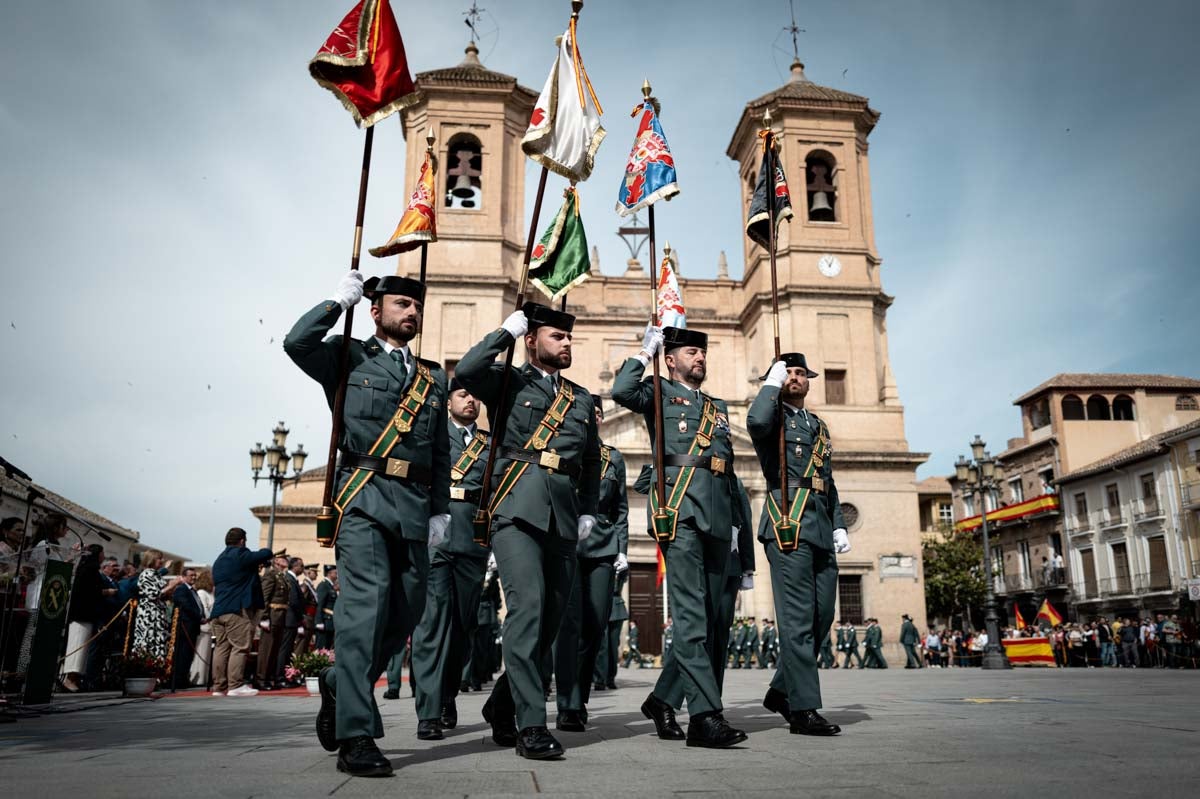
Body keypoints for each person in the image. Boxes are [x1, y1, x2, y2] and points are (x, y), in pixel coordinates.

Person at [286, 271, 451, 777]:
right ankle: (356, 734)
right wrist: (337, 303)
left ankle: (339, 683)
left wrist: (441, 509)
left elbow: (440, 448)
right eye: (401, 304)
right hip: (363, 498)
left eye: (416, 306)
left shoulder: (432, 377)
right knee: (364, 611)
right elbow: (297, 342)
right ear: (376, 311)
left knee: (406, 612)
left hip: (414, 506)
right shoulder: (348, 357)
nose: (412, 313)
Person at [455, 302, 600, 761]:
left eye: (570, 338)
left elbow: (592, 460)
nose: (567, 343)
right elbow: (467, 369)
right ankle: (532, 725)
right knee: (528, 611)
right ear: (533, 340)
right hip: (515, 508)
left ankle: (501, 704)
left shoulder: (579, 398)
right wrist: (505, 331)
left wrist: (589, 510)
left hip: (562, 513)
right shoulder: (508, 382)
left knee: (550, 623)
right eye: (557, 336)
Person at [613, 323, 746, 749]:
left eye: (702, 353)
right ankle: (705, 717)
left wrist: (738, 534)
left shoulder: (718, 406)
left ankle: (661, 699)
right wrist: (642, 352)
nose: (699, 358)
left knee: (708, 619)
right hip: (681, 511)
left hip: (717, 515)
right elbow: (620, 391)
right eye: (690, 352)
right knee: (691, 617)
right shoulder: (656, 393)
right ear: (670, 359)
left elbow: (728, 468)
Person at [749, 353, 846, 737]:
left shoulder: (817, 425)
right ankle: (803, 708)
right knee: (796, 622)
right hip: (787, 521)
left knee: (823, 616)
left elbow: (828, 479)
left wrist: (838, 524)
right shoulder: (772, 418)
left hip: (820, 525)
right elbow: (755, 421)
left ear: (809, 380)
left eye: (800, 373)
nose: (794, 377)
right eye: (787, 372)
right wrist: (769, 386)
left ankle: (780, 690)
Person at [408, 381, 493, 740]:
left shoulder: (491, 443)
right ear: (448, 402)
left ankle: (447, 693)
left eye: (475, 395)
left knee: (462, 627)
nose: (471, 400)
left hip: (473, 541)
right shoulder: (433, 434)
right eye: (463, 395)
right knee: (432, 624)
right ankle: (428, 710)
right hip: (437, 538)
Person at [553, 395, 629, 732]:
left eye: (598, 413)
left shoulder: (614, 458)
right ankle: (569, 704)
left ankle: (579, 696)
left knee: (595, 624)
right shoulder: (562, 451)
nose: (594, 418)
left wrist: (622, 550)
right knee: (568, 626)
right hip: (567, 544)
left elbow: (622, 509)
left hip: (601, 547)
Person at [211, 527, 273, 697]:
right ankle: (235, 685)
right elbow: (266, 552)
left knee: (221, 648)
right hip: (236, 610)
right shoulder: (240, 554)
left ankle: (219, 687)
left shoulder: (219, 560)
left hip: (218, 611)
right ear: (242, 541)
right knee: (240, 647)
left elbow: (238, 576)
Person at [715, 478, 755, 688]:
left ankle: (712, 701)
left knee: (721, 632)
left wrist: (748, 568)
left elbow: (746, 524)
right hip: (694, 564)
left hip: (729, 565)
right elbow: (643, 485)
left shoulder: (733, 482)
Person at [61, 544, 109, 692]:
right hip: (82, 614)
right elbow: (90, 591)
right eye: (102, 553)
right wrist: (105, 592)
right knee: (77, 646)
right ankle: (69, 678)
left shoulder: (88, 569)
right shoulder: (89, 570)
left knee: (81, 647)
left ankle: (72, 678)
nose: (104, 556)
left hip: (85, 615)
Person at [131, 550, 180, 663]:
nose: (162, 561)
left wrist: (170, 590)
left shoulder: (156, 574)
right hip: (149, 616)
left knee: (158, 644)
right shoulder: (147, 574)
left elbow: (162, 594)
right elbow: (154, 594)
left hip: (158, 615)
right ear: (152, 560)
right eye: (159, 558)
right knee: (148, 643)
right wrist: (171, 585)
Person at [255, 553, 289, 690]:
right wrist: (264, 618)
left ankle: (268, 678)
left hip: (280, 617)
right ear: (276, 561)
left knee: (274, 650)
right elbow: (264, 597)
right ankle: (261, 679)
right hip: (272, 616)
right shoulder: (270, 575)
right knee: (266, 650)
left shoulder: (282, 576)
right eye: (283, 559)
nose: (286, 561)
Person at [168, 566, 204, 689]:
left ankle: (184, 678)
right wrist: (199, 617)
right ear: (183, 577)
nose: (193, 577)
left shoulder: (192, 591)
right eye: (191, 575)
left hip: (193, 627)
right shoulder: (181, 589)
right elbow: (186, 606)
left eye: (195, 575)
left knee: (188, 655)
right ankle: (178, 680)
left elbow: (198, 605)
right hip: (184, 627)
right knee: (182, 654)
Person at [277, 557, 306, 685]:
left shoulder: (292, 579)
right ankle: (280, 677)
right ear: (295, 566)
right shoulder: (290, 578)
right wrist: (301, 618)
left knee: (288, 650)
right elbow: (294, 601)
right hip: (290, 619)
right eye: (301, 566)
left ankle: (286, 676)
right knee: (285, 649)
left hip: (292, 620)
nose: (303, 569)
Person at [190, 569, 215, 688]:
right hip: (204, 626)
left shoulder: (210, 593)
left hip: (210, 627)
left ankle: (204, 679)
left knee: (207, 655)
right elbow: (203, 609)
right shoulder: (201, 592)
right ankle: (197, 679)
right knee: (201, 653)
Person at [315, 567, 338, 650]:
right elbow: (319, 604)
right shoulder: (323, 585)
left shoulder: (330, 586)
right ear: (329, 573)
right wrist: (319, 621)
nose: (337, 576)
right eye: (335, 573)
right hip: (324, 621)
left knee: (327, 648)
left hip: (329, 622)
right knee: (321, 647)